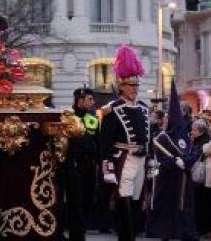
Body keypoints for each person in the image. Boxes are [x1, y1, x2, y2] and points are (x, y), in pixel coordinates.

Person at [100, 45, 150, 241]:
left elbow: (147, 137)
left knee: (137, 200)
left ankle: (129, 234)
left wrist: (150, 157)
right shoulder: (112, 109)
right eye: (130, 85)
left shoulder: (144, 108)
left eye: (136, 86)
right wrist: (107, 167)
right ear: (121, 86)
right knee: (124, 198)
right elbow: (105, 142)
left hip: (141, 159)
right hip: (123, 158)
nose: (134, 89)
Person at [147, 83, 197, 241]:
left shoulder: (185, 136)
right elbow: (161, 156)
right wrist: (174, 161)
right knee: (167, 205)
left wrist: (185, 161)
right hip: (168, 178)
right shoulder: (162, 137)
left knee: (185, 205)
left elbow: (192, 153)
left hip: (184, 178)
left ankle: (185, 232)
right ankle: (166, 233)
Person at [63, 87, 100, 241]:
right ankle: (77, 234)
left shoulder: (93, 119)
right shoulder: (67, 118)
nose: (93, 102)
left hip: (90, 165)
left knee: (88, 200)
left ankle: (79, 229)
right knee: (75, 201)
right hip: (74, 164)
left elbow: (98, 142)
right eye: (90, 99)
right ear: (80, 100)